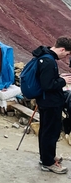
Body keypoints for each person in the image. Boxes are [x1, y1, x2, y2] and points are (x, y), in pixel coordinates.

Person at [33, 37, 71, 174]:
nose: (66, 57)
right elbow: (48, 85)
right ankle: (48, 162)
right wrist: (62, 81)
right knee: (51, 132)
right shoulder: (49, 61)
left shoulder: (45, 56)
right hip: (51, 102)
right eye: (66, 54)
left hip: (45, 101)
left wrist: (59, 77)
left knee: (45, 130)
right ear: (62, 49)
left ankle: (46, 156)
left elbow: (47, 79)